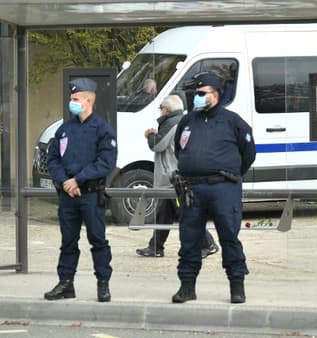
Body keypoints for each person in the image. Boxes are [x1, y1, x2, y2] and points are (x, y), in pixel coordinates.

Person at [171, 72, 256, 304]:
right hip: (192, 189)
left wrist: (230, 173)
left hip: (223, 188)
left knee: (229, 237)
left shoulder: (233, 121)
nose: (196, 97)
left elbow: (248, 154)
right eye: (195, 93)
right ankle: (187, 286)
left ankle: (236, 286)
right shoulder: (188, 121)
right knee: (189, 240)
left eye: (201, 93)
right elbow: (180, 150)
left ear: (216, 95)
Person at [45, 78, 118, 302]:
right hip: (68, 195)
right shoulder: (65, 130)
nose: (72, 102)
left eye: (76, 99)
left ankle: (103, 284)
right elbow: (53, 159)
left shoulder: (102, 129)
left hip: (90, 194)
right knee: (68, 241)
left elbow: (106, 162)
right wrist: (65, 181)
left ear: (88, 100)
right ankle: (66, 283)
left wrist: (78, 179)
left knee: (97, 239)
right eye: (71, 99)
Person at [135, 94, 218, 259]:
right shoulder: (186, 121)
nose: (160, 112)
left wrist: (150, 135)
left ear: (166, 109)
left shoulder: (171, 123)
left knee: (186, 213)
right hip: (175, 176)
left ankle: (207, 244)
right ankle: (156, 247)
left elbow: (157, 145)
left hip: (172, 177)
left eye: (161, 109)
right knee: (163, 214)